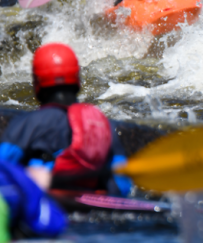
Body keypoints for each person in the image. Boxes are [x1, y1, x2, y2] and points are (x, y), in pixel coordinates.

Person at [0, 43, 132, 197]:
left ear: (37, 83)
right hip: (96, 208)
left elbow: (3, 173)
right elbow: (123, 186)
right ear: (78, 80)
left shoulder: (27, 125)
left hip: (45, 206)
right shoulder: (104, 125)